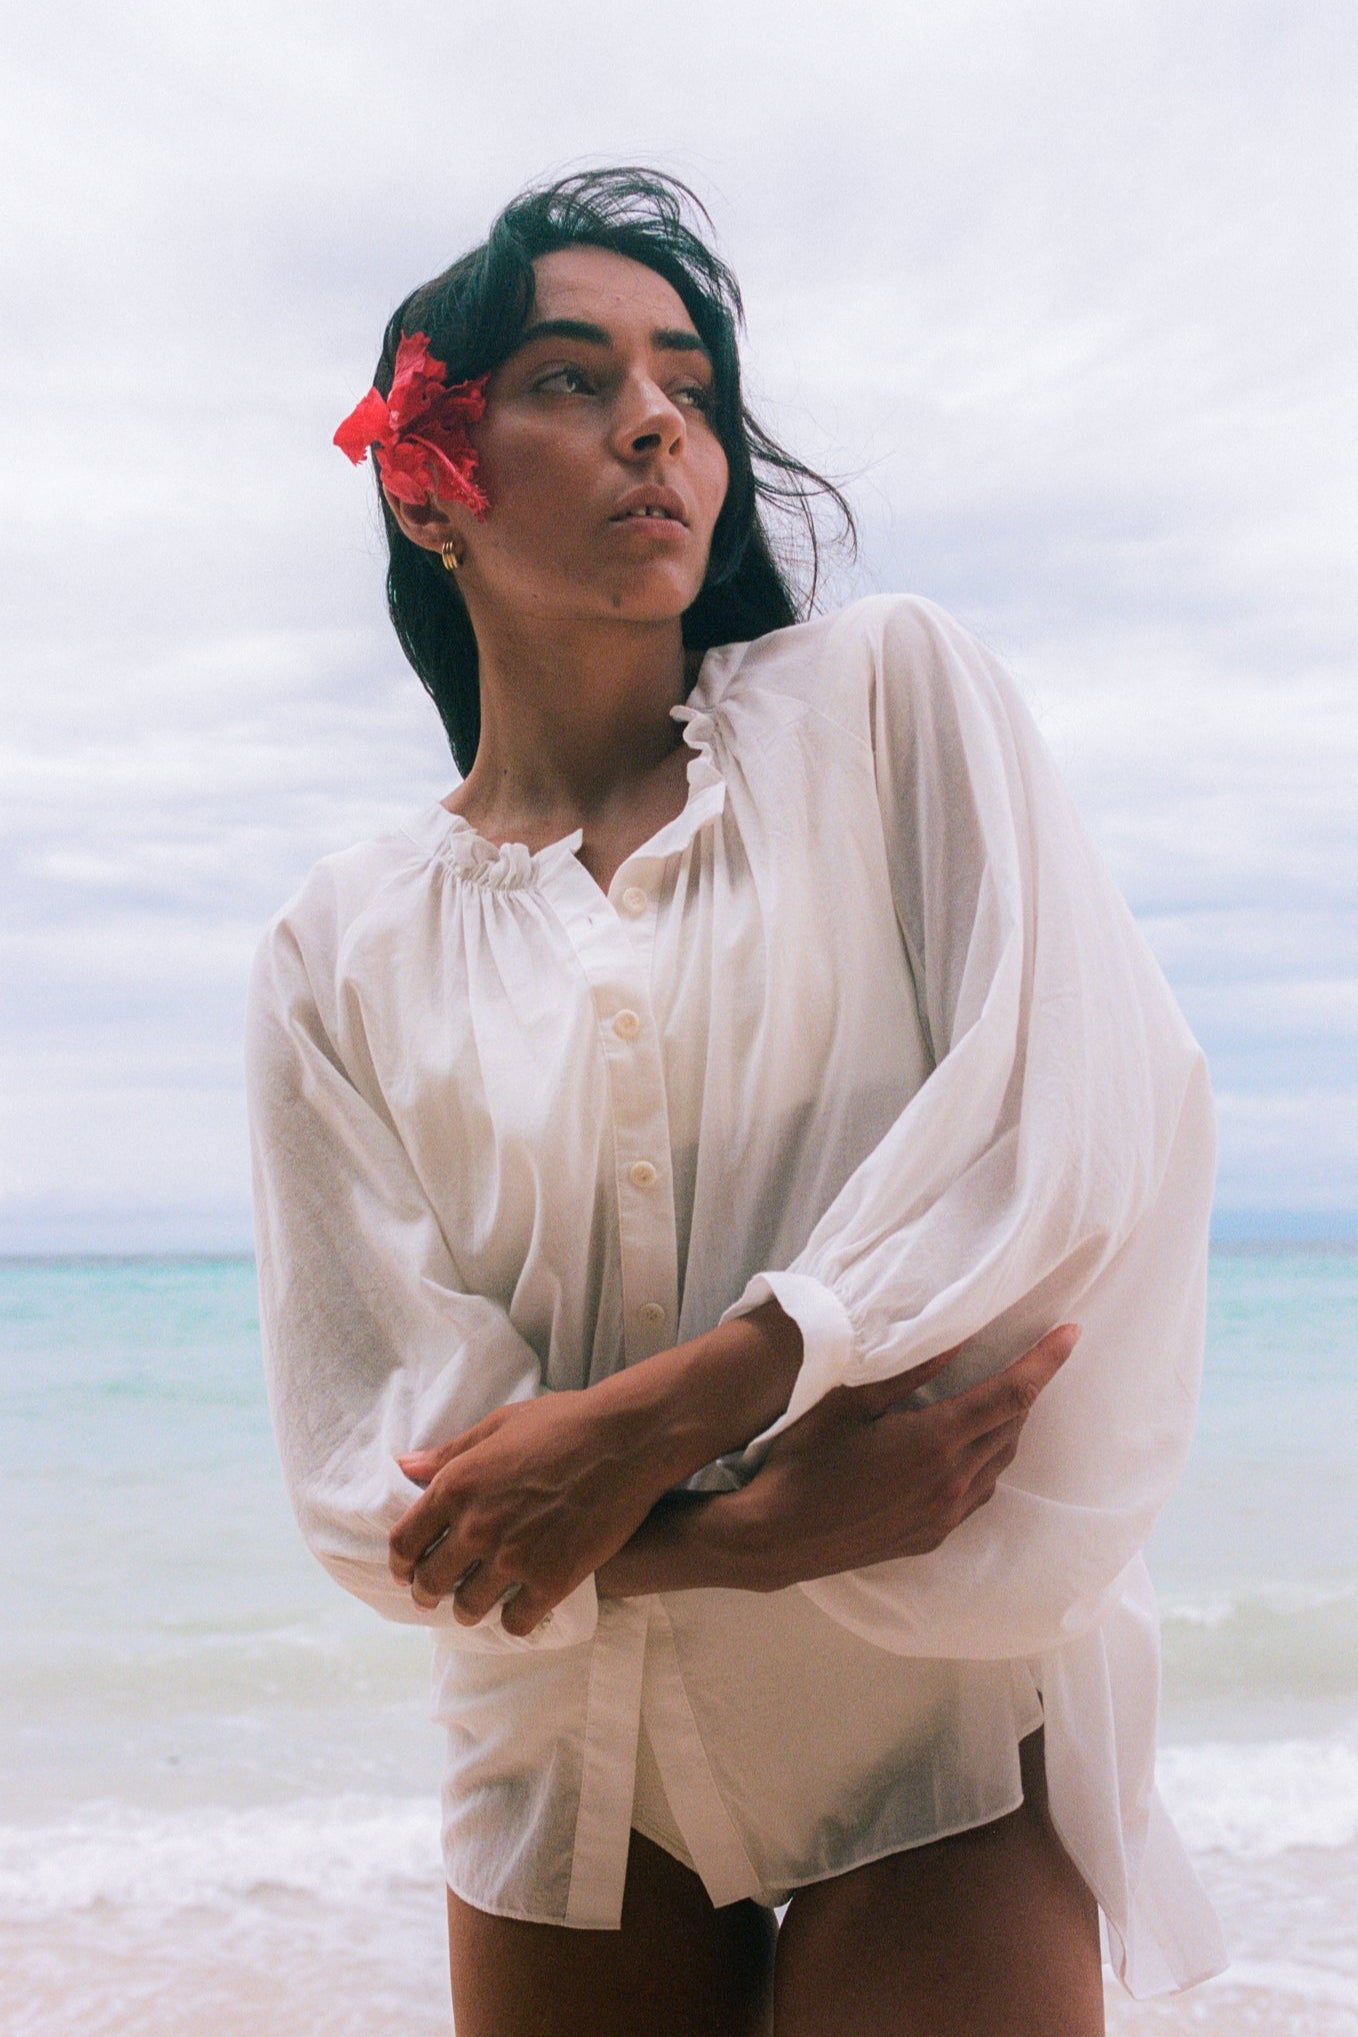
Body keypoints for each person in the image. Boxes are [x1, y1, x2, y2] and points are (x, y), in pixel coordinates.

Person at [246, 169, 1226, 2035]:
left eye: (686, 382)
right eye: (569, 374)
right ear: (427, 474)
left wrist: (688, 1398)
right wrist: (731, 1531)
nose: (652, 423)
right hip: (566, 1749)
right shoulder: (336, 945)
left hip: (916, 1685)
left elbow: (1072, 1109)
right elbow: (379, 1462)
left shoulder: (883, 702)